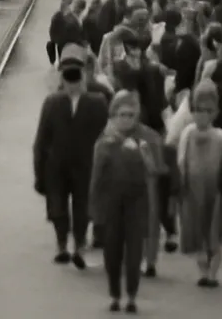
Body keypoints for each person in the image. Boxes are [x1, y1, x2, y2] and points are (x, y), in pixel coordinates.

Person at [33, 42, 109, 268]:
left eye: (76, 76)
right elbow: (41, 141)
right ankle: (61, 245)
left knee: (82, 207)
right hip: (56, 166)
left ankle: (79, 246)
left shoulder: (98, 101)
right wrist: (39, 174)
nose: (73, 83)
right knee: (57, 207)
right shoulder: (52, 102)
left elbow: (106, 136)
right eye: (69, 77)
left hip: (87, 165)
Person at [173, 78, 222, 288]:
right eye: (197, 110)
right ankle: (203, 269)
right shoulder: (187, 134)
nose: (201, 115)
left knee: (214, 231)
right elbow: (182, 160)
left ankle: (213, 272)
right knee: (196, 231)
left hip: (216, 192)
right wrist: (179, 186)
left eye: (207, 110)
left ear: (214, 113)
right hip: (192, 193)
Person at [89, 90, 152, 313]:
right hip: (111, 206)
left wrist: (141, 155)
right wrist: (94, 211)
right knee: (112, 253)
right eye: (122, 115)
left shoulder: (142, 142)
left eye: (130, 115)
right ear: (114, 117)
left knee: (134, 254)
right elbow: (96, 179)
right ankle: (115, 294)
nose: (126, 119)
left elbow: (152, 172)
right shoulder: (104, 145)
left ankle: (132, 296)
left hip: (135, 206)